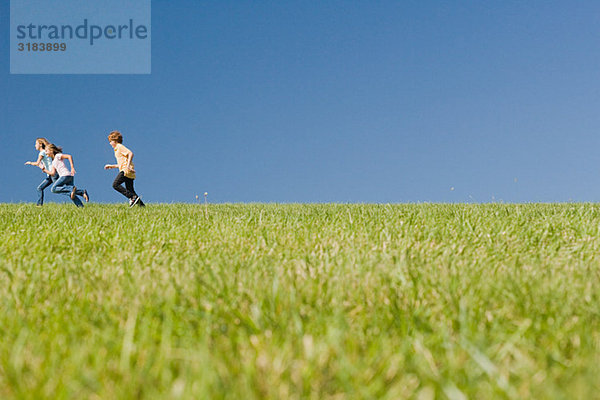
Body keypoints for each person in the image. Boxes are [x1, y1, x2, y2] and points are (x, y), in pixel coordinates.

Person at [104, 130, 144, 207]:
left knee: (115, 185)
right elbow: (122, 163)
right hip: (128, 171)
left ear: (115, 140)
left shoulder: (119, 146)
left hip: (126, 170)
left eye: (110, 141)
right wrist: (111, 166)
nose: (110, 143)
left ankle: (132, 197)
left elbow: (130, 153)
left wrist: (128, 166)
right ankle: (142, 207)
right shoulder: (116, 150)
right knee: (130, 190)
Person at [24, 137, 58, 206]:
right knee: (40, 188)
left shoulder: (42, 153)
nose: (35, 145)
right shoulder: (45, 152)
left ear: (40, 144)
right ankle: (39, 205)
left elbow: (37, 163)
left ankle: (79, 192)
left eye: (36, 144)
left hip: (52, 174)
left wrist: (30, 163)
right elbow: (47, 162)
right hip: (50, 175)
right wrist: (44, 167)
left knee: (59, 189)